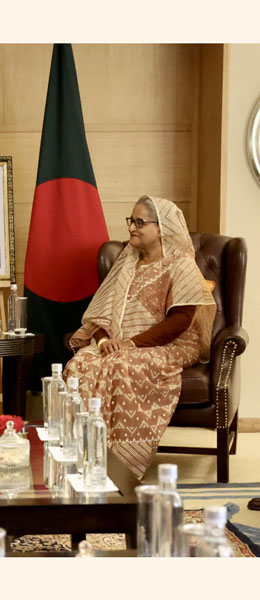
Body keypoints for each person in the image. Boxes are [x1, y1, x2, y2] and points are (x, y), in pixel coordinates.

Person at [64, 195, 216, 480]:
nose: (132, 228)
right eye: (131, 221)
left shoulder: (180, 266)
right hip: (119, 343)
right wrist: (102, 340)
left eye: (139, 222)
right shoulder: (126, 263)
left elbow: (180, 322)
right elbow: (101, 314)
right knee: (81, 365)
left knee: (123, 366)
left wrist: (129, 344)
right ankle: (85, 454)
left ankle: (120, 465)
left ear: (162, 228)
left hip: (173, 343)